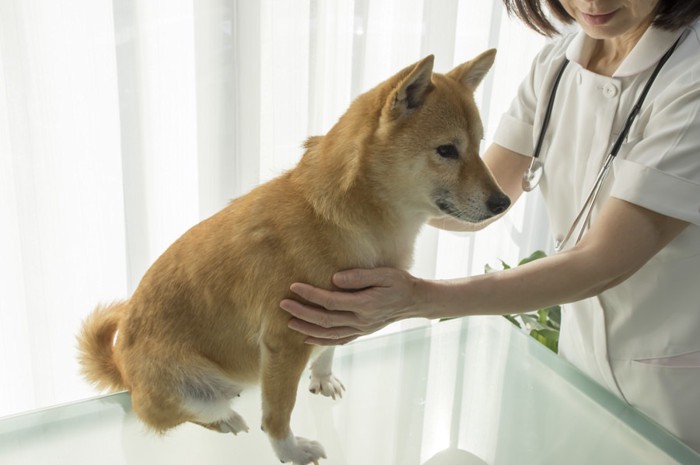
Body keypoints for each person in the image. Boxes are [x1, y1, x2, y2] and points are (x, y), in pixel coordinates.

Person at [280, 0, 700, 453]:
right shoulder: (558, 62)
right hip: (580, 369)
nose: (593, 3)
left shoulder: (690, 79)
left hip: (675, 388)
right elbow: (479, 202)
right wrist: (348, 183)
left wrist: (416, 299)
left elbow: (603, 262)